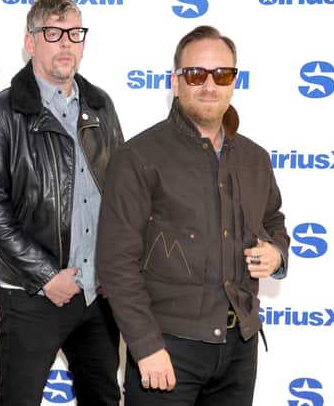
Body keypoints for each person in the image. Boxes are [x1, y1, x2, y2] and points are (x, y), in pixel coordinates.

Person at [96, 25, 290, 406]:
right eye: (196, 74)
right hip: (167, 350)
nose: (209, 85)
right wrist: (146, 347)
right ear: (176, 81)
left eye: (222, 74)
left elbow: (273, 220)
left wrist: (277, 254)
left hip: (239, 348)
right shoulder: (139, 157)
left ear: (234, 80)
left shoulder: (254, 158)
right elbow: (115, 262)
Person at [0, 0, 123, 406]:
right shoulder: (1, 114)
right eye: (53, 33)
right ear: (31, 42)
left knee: (104, 399)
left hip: (97, 295)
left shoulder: (101, 106)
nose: (66, 43)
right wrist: (45, 276)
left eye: (74, 33)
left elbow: (123, 193)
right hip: (32, 294)